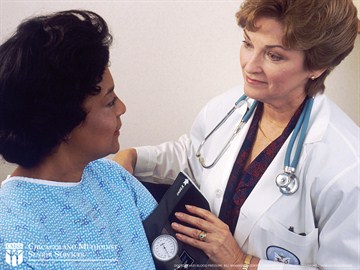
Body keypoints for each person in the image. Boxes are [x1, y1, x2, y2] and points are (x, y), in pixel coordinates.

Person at [114, 0, 360, 269]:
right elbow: (194, 154)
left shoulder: (345, 166)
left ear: (317, 67)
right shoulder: (231, 105)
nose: (250, 66)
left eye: (274, 55)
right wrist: (135, 158)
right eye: (248, 43)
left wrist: (241, 262)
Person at [0, 10, 157, 269]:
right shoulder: (12, 233)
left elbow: (172, 253)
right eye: (109, 102)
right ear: (63, 123)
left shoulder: (112, 178)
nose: (122, 108)